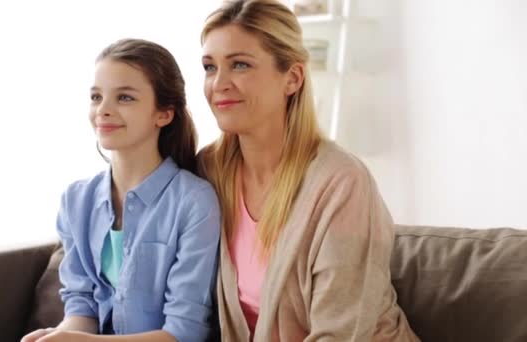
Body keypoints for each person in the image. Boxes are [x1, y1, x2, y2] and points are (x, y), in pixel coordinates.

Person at [197, 0, 420, 341]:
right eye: (210, 67)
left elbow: (339, 333)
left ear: (293, 78)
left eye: (240, 65)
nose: (219, 83)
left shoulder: (342, 184)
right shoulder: (208, 173)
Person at [21, 38, 220, 342]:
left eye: (124, 98)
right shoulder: (76, 200)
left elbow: (184, 332)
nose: (104, 109)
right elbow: (82, 306)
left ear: (164, 114)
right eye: (96, 96)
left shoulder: (194, 201)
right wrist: (61, 336)